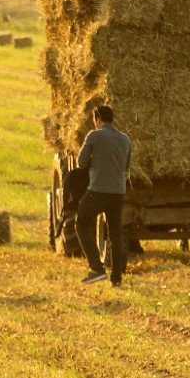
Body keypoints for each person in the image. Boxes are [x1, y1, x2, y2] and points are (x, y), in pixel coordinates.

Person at [75, 103, 135, 286]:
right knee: (116, 235)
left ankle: (97, 268)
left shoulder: (94, 135)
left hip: (98, 190)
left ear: (98, 119)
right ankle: (116, 278)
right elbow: (126, 167)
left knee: (82, 223)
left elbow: (80, 162)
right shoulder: (125, 139)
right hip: (118, 192)